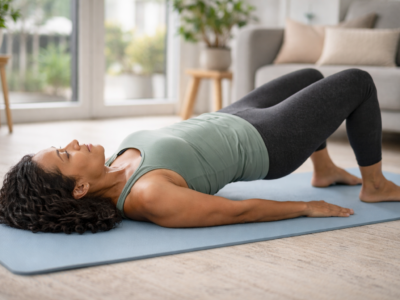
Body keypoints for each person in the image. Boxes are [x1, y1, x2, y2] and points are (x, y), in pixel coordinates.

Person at [1, 68, 399, 235]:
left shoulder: (111, 165)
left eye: (63, 147)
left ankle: (324, 168)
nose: (72, 144)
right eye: (66, 156)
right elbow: (237, 212)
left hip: (234, 116)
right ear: (80, 189)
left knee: (310, 78)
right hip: (268, 142)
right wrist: (306, 208)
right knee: (357, 82)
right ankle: (376, 184)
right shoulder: (147, 195)